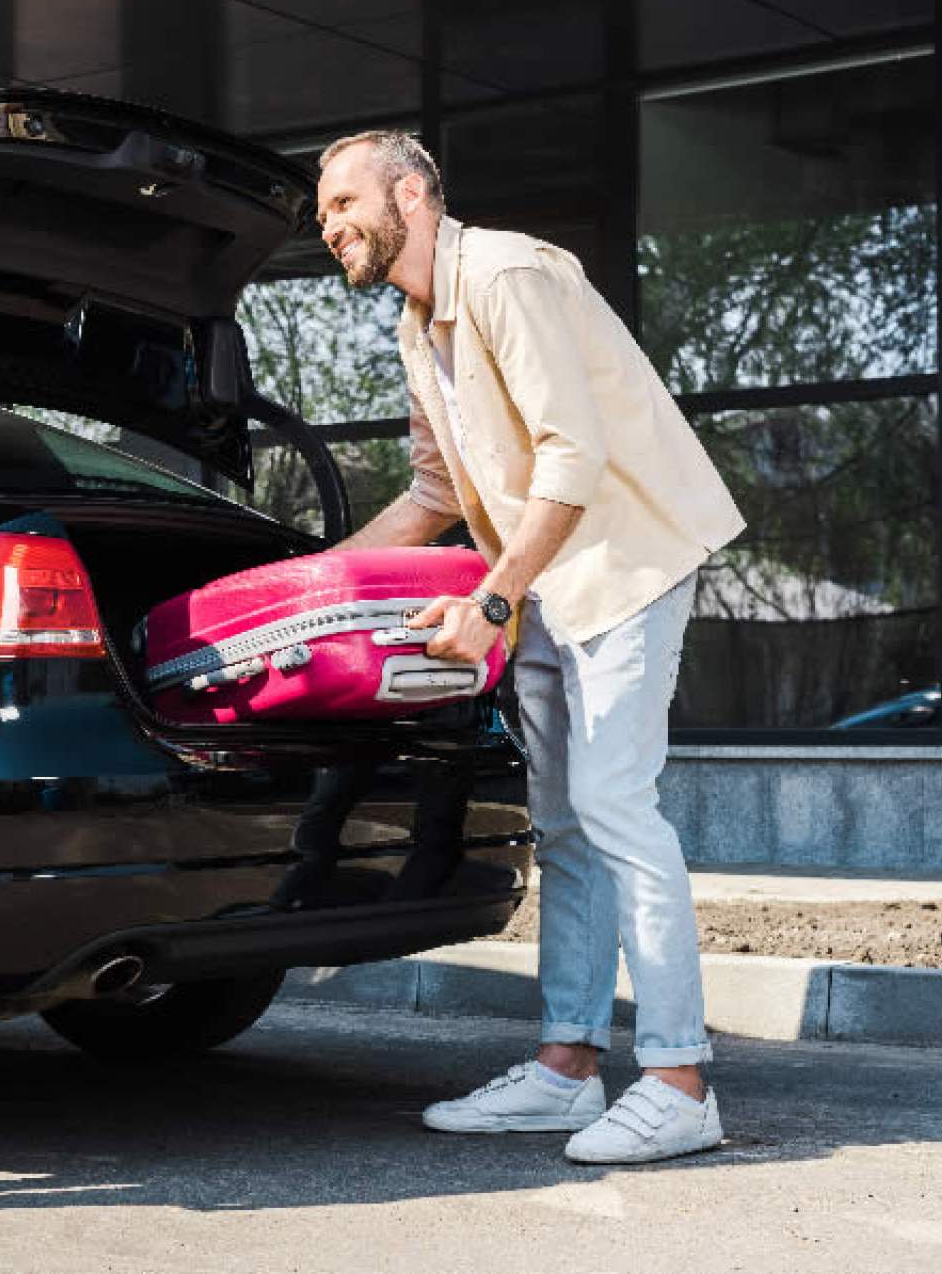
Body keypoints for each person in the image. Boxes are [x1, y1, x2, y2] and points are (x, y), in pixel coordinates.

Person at [314, 130, 746, 1164]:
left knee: (614, 803)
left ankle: (680, 1083)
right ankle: (566, 1070)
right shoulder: (417, 324)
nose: (328, 227)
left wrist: (493, 600)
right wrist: (313, 581)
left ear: (410, 195)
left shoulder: (506, 275)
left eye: (343, 203)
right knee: (563, 825)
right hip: (546, 577)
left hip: (626, 559)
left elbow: (573, 455)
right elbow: (433, 491)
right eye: (322, 213)